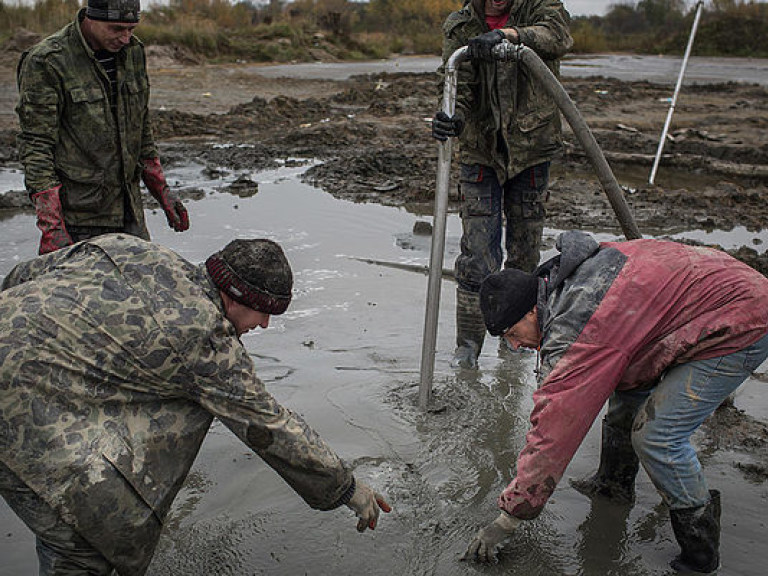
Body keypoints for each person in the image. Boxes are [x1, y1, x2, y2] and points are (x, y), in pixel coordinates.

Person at [0, 234, 390, 575]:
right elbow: (270, 426)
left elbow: (21, 277)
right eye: (264, 312)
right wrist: (347, 489)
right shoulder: (204, 339)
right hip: (12, 406)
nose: (266, 325)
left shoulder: (132, 249)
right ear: (236, 296)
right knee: (82, 543)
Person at [463, 230, 768, 574]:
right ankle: (613, 484)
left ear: (532, 311)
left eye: (512, 335)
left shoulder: (578, 327)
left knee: (657, 436)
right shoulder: (563, 284)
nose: (515, 347)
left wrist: (509, 518)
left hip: (739, 318)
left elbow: (554, 432)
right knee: (627, 389)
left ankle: (700, 553)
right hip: (703, 297)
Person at [432, 0, 572, 369]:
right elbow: (456, 84)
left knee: (524, 254)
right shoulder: (462, 23)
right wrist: (453, 118)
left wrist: (509, 36)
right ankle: (468, 346)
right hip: (481, 150)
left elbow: (558, 37)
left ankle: (517, 341)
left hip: (532, 147)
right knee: (477, 256)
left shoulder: (541, 6)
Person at [15, 0, 189, 256]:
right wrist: (52, 228)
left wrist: (162, 192)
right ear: (90, 18)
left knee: (139, 290)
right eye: (116, 28)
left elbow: (141, 126)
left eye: (131, 29)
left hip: (130, 213)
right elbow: (36, 146)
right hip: (78, 220)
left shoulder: (134, 52)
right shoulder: (47, 61)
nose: (125, 38)